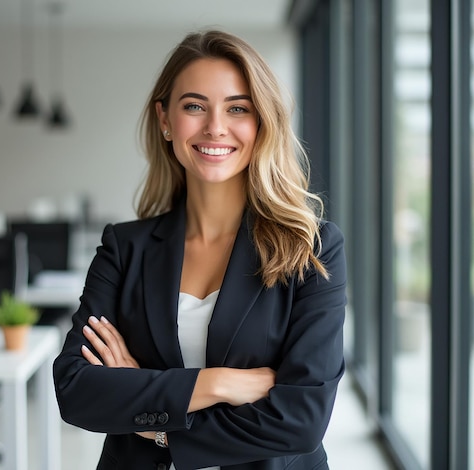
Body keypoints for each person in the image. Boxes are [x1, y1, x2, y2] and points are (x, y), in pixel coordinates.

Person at [53, 29, 347, 470]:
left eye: (237, 108)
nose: (215, 126)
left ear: (261, 122)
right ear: (165, 119)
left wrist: (155, 424)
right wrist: (220, 384)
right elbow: (76, 392)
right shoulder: (124, 248)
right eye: (194, 106)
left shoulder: (313, 248)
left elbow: (301, 421)